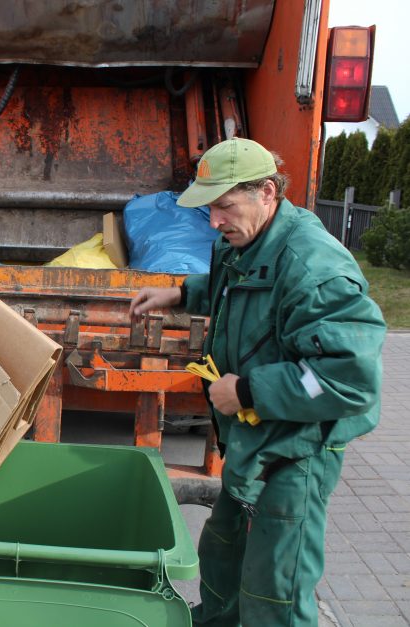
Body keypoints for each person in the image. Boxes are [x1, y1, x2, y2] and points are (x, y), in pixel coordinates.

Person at [129, 138, 386, 626]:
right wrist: (178, 294)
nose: (214, 221)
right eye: (210, 207)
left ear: (267, 192)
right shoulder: (247, 241)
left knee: (274, 597)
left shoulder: (315, 269)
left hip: (295, 454)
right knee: (223, 564)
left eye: (225, 206)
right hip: (255, 447)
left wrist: (247, 391)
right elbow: (238, 288)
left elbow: (350, 377)